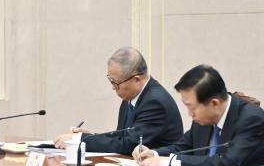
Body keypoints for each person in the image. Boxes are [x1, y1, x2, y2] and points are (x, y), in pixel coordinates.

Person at [135, 64, 264, 166]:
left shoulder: (251, 119)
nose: (190, 114)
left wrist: (172, 161)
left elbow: (227, 162)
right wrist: (154, 153)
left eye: (192, 107)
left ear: (214, 104)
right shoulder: (203, 119)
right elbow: (183, 147)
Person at [53, 47, 183, 154]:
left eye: (116, 82)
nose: (113, 87)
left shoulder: (155, 102)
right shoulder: (130, 97)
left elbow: (128, 144)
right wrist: (90, 136)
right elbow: (120, 137)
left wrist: (80, 140)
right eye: (110, 80)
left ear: (136, 80)